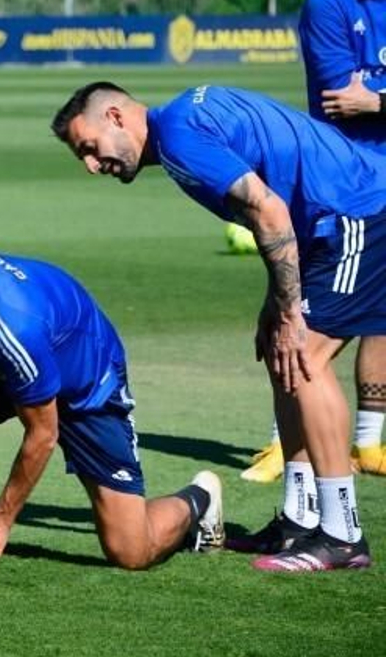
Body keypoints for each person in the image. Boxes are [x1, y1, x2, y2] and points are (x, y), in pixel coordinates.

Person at [51, 81, 386, 571]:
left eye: (89, 147)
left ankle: (343, 533)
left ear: (116, 117)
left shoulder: (179, 138)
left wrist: (290, 312)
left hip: (358, 209)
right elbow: (272, 208)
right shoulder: (183, 120)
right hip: (328, 219)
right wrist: (278, 302)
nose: (91, 165)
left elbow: (269, 211)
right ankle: (300, 519)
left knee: (305, 357)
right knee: (282, 353)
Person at [0, 232, 223, 574]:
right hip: (0, 372)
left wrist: (0, 522)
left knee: (131, 551)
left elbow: (43, 433)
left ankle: (200, 498)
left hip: (85, 386)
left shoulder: (17, 326)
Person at [242, 0, 386, 482]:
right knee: (311, 322)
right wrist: (368, 103)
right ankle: (285, 443)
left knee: (380, 312)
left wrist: (377, 99)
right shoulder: (329, 2)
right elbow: (338, 98)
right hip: (342, 184)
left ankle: (369, 442)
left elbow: (365, 100)